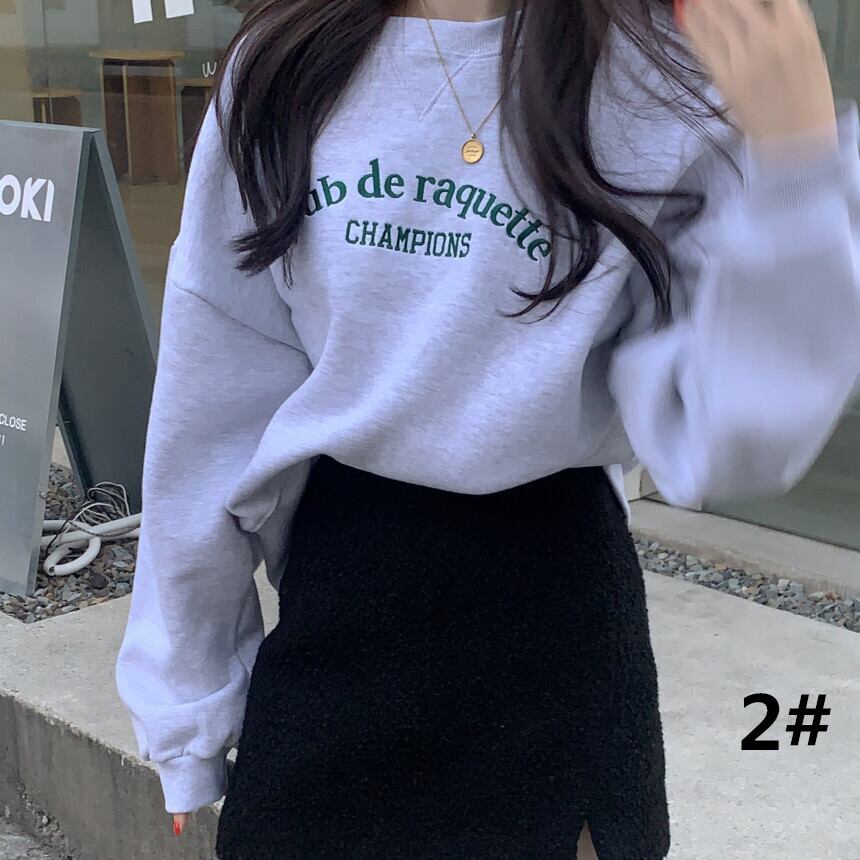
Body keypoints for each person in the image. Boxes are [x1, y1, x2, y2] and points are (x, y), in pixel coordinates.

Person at [114, 0, 860, 857]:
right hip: (339, 615)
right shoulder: (286, 62)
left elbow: (728, 436)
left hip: (555, 628)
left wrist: (796, 169)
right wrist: (185, 696)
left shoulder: (668, 67)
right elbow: (213, 404)